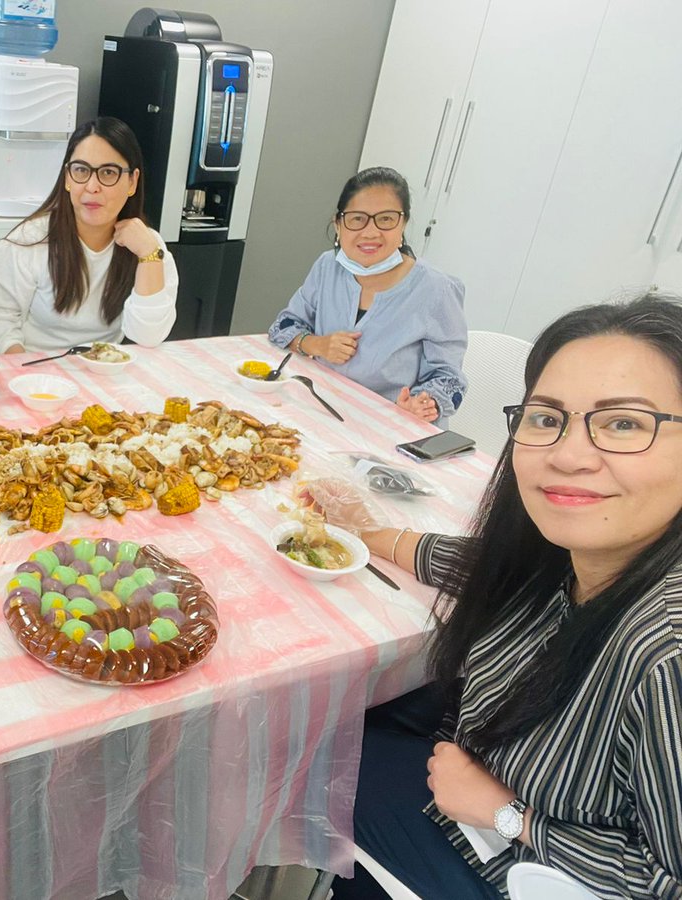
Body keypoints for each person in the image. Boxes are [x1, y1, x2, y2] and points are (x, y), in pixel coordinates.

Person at [315, 295, 682, 899]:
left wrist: (508, 814)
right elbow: (490, 570)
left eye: (623, 424)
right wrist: (368, 534)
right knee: (344, 707)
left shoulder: (664, 653)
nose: (567, 455)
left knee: (308, 747)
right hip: (481, 753)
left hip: (519, 864)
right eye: (546, 418)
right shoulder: (579, 558)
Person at [268, 167, 467, 422]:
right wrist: (318, 344)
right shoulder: (328, 266)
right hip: (321, 407)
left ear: (403, 223)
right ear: (338, 224)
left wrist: (424, 403)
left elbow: (449, 377)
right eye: (357, 218)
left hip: (391, 425)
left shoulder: (436, 289)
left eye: (385, 219)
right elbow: (283, 326)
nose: (371, 232)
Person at [0, 117, 179, 354]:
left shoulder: (148, 246)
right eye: (81, 170)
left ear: (132, 181)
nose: (92, 186)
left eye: (108, 172)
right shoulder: (29, 241)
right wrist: (25, 374)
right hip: (35, 375)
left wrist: (148, 255)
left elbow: (148, 337)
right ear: (67, 178)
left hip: (105, 370)